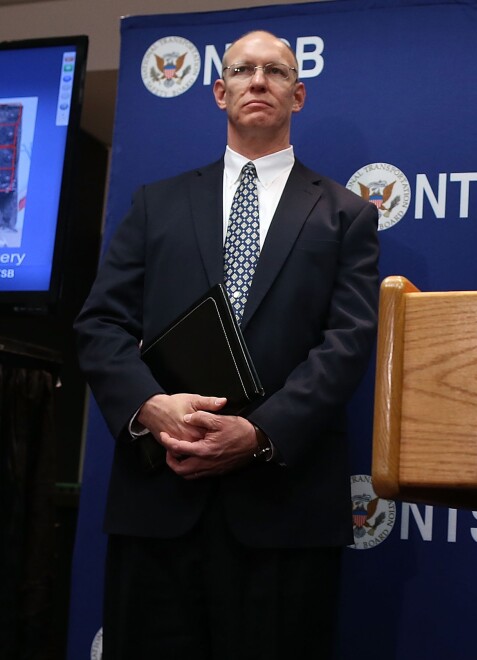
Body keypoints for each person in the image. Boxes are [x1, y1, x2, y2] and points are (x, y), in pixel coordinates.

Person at [74, 30, 379, 658]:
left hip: (282, 510)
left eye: (275, 72)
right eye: (243, 70)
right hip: (159, 500)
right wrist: (149, 407)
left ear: (298, 94)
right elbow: (100, 325)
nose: (258, 81)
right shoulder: (156, 204)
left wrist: (261, 433)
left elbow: (349, 341)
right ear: (220, 91)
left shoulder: (346, 215)